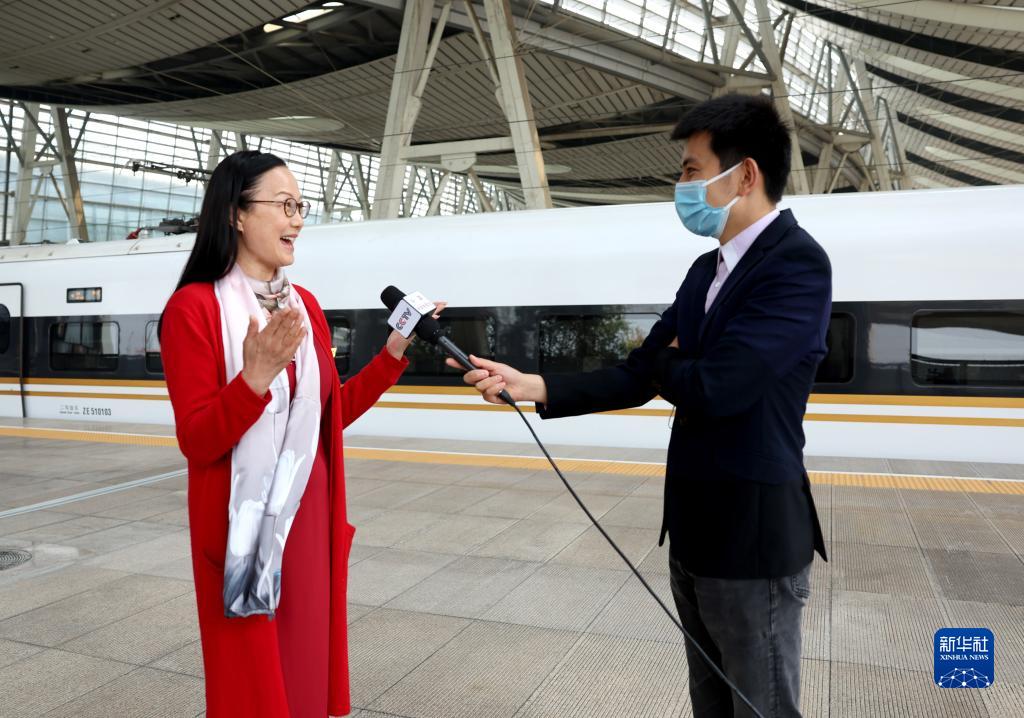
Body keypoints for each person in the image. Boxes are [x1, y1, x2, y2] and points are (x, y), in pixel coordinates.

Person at [450, 94, 830, 717]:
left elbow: (720, 387)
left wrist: (668, 364)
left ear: (745, 175)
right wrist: (531, 385)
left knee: (760, 706)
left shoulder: (796, 265)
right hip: (693, 533)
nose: (681, 186)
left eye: (691, 170)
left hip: (752, 540)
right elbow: (639, 373)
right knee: (710, 702)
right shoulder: (705, 272)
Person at [160, 150, 438, 718]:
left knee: (304, 676)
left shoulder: (302, 304)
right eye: (285, 206)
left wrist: (392, 353)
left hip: (309, 522)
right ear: (237, 214)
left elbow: (327, 418)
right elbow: (198, 440)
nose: (298, 221)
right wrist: (254, 379)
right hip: (242, 534)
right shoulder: (193, 309)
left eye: (301, 207)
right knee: (254, 689)